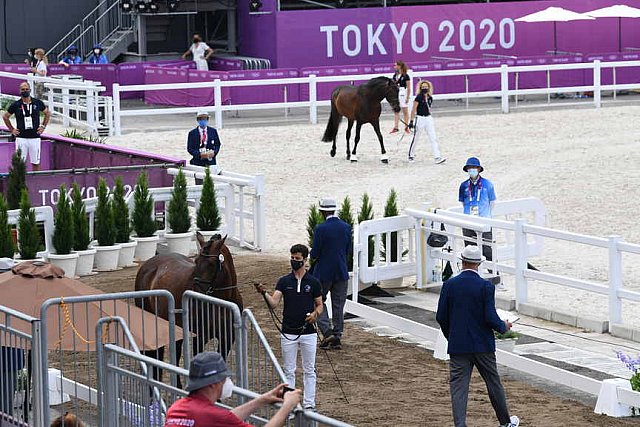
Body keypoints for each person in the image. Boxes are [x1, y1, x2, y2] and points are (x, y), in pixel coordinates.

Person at [436, 246, 520, 427]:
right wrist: (503, 327)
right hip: (483, 345)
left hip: (459, 345)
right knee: (493, 383)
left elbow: (441, 316)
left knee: (458, 387)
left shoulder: (449, 285)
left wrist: (452, 336)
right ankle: (505, 422)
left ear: (462, 262)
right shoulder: (485, 286)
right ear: (479, 264)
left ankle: (460, 424)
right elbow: (490, 317)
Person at [255, 244, 323, 410]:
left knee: (309, 369)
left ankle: (309, 404)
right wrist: (264, 293)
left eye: (297, 259)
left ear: (305, 260)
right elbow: (274, 303)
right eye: (292, 258)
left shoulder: (313, 282)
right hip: (288, 332)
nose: (294, 261)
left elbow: (320, 305)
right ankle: (289, 405)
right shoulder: (284, 281)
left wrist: (315, 315)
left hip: (308, 332)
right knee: (289, 370)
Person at [165, 351, 302, 427]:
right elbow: (221, 419)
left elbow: (225, 419)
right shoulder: (211, 415)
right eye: (223, 379)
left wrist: (262, 400)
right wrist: (287, 406)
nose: (227, 383)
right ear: (213, 384)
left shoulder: (176, 408)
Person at [311, 198, 351, 350]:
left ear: (322, 211)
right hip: (341, 270)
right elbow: (348, 250)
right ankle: (338, 334)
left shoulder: (321, 228)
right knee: (338, 304)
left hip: (324, 272)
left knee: (318, 301)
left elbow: (315, 253)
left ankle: (327, 332)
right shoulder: (346, 227)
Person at [2, 82, 51, 171]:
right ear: (20, 91)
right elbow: (5, 116)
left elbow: (47, 113)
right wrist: (12, 129)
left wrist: (43, 126)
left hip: (35, 137)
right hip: (21, 138)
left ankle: (36, 183)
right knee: (20, 163)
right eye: (23, 89)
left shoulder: (37, 102)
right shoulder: (16, 105)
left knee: (36, 162)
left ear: (30, 90)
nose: (25, 91)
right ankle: (20, 183)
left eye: (26, 89)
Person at [459, 157, 496, 261]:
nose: (472, 170)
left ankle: (493, 273)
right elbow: (463, 202)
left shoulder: (487, 184)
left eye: (474, 167)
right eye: (469, 168)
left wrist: (485, 214)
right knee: (469, 249)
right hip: (468, 219)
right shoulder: (463, 185)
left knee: (487, 250)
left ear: (479, 169)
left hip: (484, 219)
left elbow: (492, 202)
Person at [407, 80, 446, 164]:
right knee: (416, 138)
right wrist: (411, 121)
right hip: (420, 118)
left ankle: (437, 157)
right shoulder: (418, 97)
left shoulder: (430, 98)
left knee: (433, 138)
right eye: (423, 87)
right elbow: (413, 110)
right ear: (421, 88)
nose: (425, 88)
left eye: (426, 87)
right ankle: (411, 155)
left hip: (428, 118)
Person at [187, 111, 221, 183]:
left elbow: (218, 144)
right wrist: (199, 155)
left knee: (211, 182)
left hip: (210, 161)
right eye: (201, 119)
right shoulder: (192, 133)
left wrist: (214, 153)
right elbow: (190, 148)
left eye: (205, 119)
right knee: (199, 183)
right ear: (198, 120)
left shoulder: (213, 131)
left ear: (207, 119)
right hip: (198, 162)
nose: (203, 121)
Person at [390, 60, 411, 135]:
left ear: (399, 66)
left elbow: (408, 87)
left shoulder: (406, 76)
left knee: (405, 111)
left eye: (395, 65)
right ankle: (396, 127)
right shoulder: (395, 75)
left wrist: (407, 97)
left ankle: (406, 127)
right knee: (396, 110)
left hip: (403, 93)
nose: (394, 67)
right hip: (396, 93)